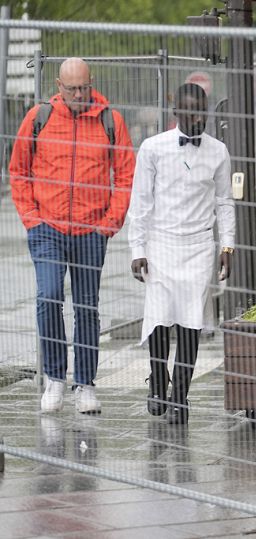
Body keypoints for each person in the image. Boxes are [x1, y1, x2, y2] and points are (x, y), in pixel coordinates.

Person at [9, 57, 135, 414]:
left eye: (84, 87)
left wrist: (110, 222)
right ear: (58, 86)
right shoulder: (39, 118)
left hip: (91, 229)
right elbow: (18, 170)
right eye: (71, 89)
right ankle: (54, 378)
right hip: (47, 227)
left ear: (91, 82)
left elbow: (125, 175)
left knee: (87, 305)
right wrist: (31, 218)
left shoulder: (111, 120)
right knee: (48, 297)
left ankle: (85, 383)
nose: (79, 94)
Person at [128, 83, 235, 424]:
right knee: (159, 318)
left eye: (201, 111)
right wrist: (137, 248)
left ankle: (181, 396)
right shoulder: (152, 148)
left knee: (190, 322)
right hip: (160, 245)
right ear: (176, 112)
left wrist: (227, 245)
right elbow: (141, 202)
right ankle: (158, 381)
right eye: (189, 111)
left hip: (199, 247)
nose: (196, 118)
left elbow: (224, 202)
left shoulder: (219, 151)